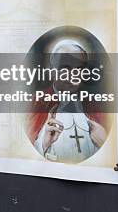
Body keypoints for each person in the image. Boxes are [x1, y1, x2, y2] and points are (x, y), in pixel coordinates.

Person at [26, 26, 112, 163]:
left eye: (78, 70)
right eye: (65, 68)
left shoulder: (93, 104)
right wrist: (43, 142)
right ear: (52, 70)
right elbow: (26, 154)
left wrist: (104, 142)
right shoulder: (36, 103)